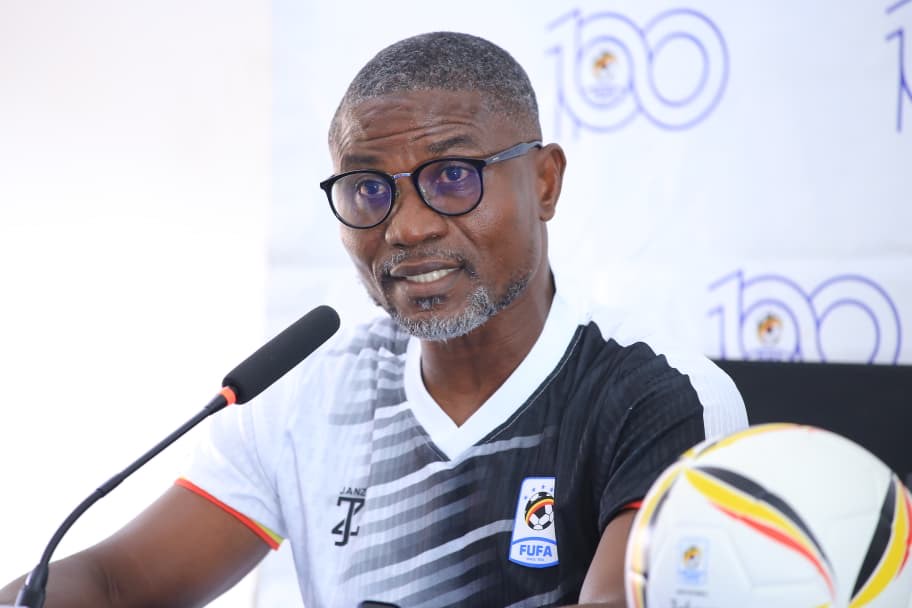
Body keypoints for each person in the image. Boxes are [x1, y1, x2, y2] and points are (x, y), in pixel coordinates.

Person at [0, 31, 747, 608]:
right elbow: (118, 584)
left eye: (452, 177)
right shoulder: (304, 396)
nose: (408, 227)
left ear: (545, 181)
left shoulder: (659, 396)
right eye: (368, 190)